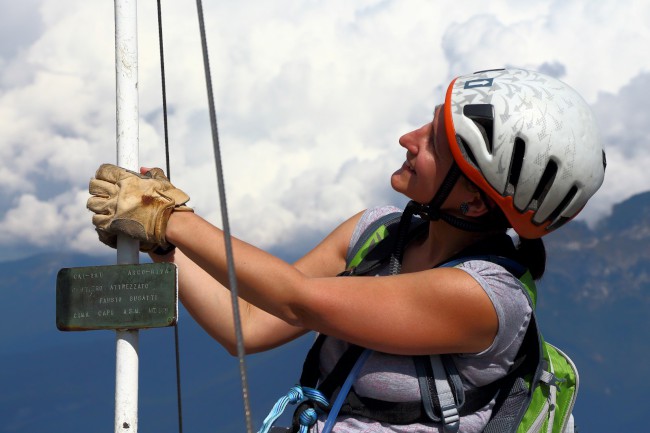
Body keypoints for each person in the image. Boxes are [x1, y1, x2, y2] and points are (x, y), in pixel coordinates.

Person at [87, 68, 606, 433]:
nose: (409, 137)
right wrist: (163, 243)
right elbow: (249, 324)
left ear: (474, 199)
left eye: (435, 143)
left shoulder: (484, 298)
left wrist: (171, 218)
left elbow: (298, 301)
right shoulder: (375, 233)